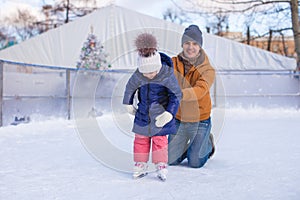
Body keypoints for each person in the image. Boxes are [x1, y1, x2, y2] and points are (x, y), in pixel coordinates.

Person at [123, 33, 182, 181]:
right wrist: (128, 103)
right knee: (140, 139)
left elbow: (176, 95)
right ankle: (140, 164)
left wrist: (169, 113)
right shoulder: (140, 74)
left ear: (158, 66)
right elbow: (130, 87)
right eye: (145, 72)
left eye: (152, 72)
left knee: (159, 140)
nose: (148, 75)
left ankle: (161, 165)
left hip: (161, 115)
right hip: (143, 113)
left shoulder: (167, 75)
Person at [168, 25, 216, 168]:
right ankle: (189, 145)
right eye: (187, 43)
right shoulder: (172, 63)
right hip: (179, 119)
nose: (190, 47)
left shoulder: (207, 69)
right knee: (170, 160)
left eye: (195, 44)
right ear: (182, 44)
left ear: (200, 46)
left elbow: (200, 89)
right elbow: (158, 75)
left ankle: (207, 143)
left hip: (200, 120)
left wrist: (180, 93)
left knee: (195, 162)